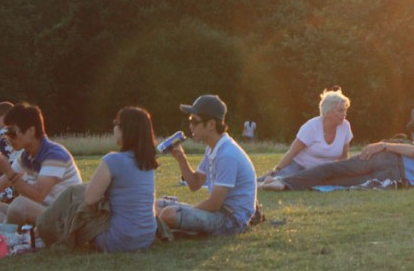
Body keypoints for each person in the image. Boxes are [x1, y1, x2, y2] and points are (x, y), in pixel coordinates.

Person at [156, 94, 257, 236]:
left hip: (231, 220)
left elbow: (214, 203)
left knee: (169, 214)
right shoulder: (212, 148)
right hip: (219, 212)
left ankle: (165, 227)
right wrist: (182, 159)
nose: (190, 125)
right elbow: (195, 184)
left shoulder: (227, 154)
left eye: (194, 121)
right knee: (156, 205)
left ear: (211, 124)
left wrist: (187, 211)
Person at [84, 107, 159, 252]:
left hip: (119, 240)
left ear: (126, 129)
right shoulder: (148, 163)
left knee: (74, 196)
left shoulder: (113, 160)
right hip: (146, 238)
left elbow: (89, 199)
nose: (113, 127)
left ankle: (42, 231)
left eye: (116, 123)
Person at [260, 137, 414, 191]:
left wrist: (383, 145)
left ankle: (281, 180)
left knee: (334, 169)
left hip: (387, 159)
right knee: (337, 180)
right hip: (392, 178)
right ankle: (283, 183)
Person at [257, 88, 353, 184]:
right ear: (328, 112)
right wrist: (277, 169)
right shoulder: (311, 127)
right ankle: (256, 182)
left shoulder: (345, 126)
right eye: (340, 110)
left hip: (324, 172)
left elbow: (343, 157)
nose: (344, 114)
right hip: (300, 167)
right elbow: (292, 152)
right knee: (276, 179)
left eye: (345, 110)